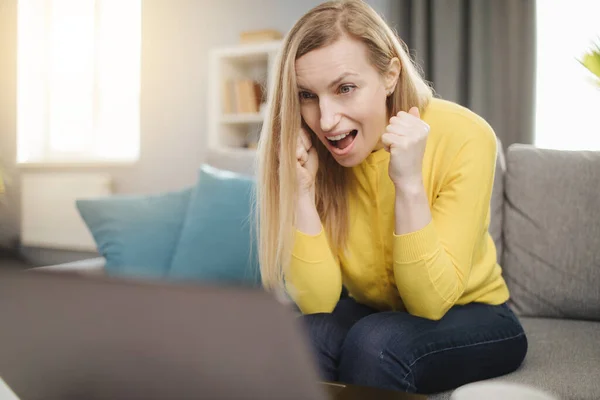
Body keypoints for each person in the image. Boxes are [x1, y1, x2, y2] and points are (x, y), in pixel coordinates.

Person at [254, 0, 527, 395]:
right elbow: (318, 302)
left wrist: (409, 183)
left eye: (345, 88)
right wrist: (302, 191)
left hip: (475, 313)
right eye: (307, 96)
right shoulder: (317, 150)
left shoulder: (466, 135)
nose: (326, 120)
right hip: (375, 312)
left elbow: (430, 302)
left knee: (377, 343)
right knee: (300, 335)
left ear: (390, 75)